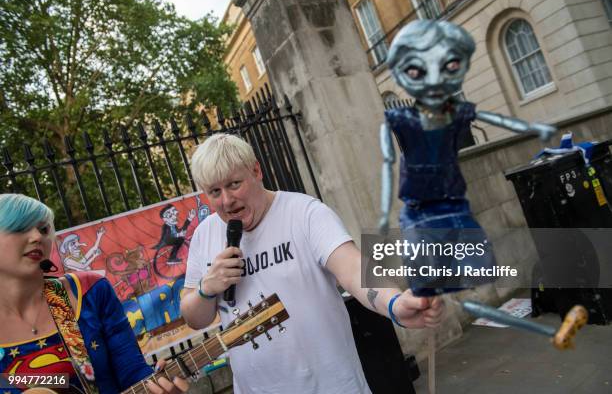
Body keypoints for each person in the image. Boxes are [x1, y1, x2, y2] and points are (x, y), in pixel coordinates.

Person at [180, 133, 444, 394]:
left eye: (234, 184)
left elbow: (353, 270)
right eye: (215, 191)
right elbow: (194, 318)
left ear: (256, 171)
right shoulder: (204, 235)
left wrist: (395, 304)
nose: (227, 201)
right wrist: (207, 288)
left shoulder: (305, 213)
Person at [378, 20, 556, 296]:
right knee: (427, 278)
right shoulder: (401, 119)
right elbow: (388, 160)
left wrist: (533, 128)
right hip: (420, 208)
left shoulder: (454, 114)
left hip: (452, 204)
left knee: (475, 267)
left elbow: (492, 118)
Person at [0, 193, 189, 394]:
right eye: (20, 227)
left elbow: (132, 372)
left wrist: (157, 385)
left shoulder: (89, 291)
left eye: (44, 229)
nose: (37, 237)